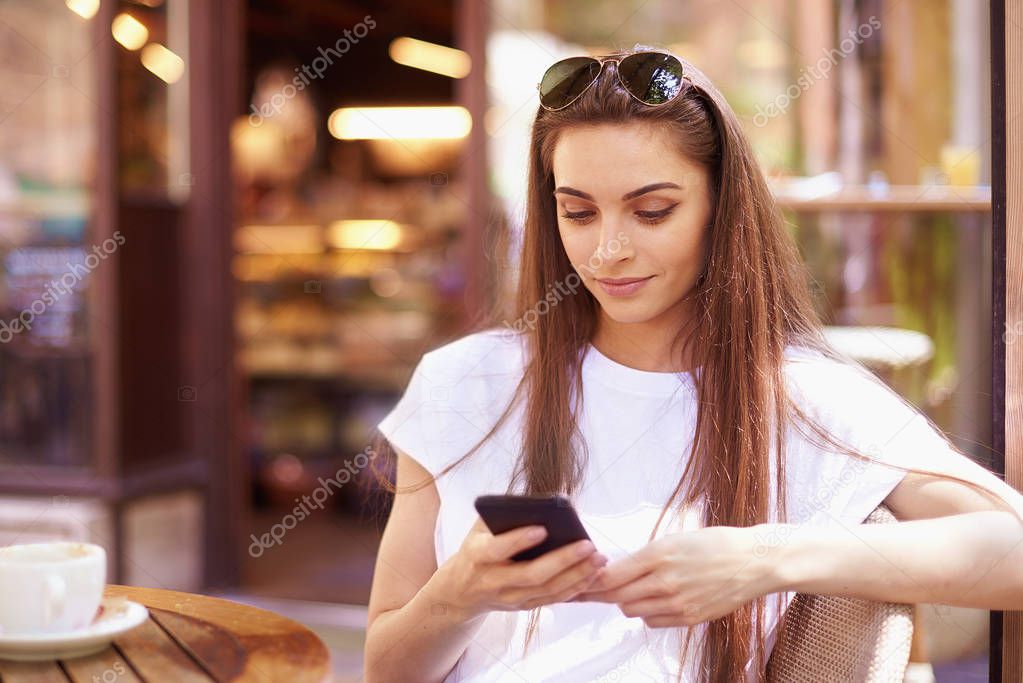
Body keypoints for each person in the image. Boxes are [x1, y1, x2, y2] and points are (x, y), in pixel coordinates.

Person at [362, 46, 1023, 682]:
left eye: (653, 211)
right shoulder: (464, 382)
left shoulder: (795, 394)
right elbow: (385, 668)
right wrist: (458, 594)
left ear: (720, 206)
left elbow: (1012, 548)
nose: (607, 250)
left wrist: (765, 556)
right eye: (578, 212)